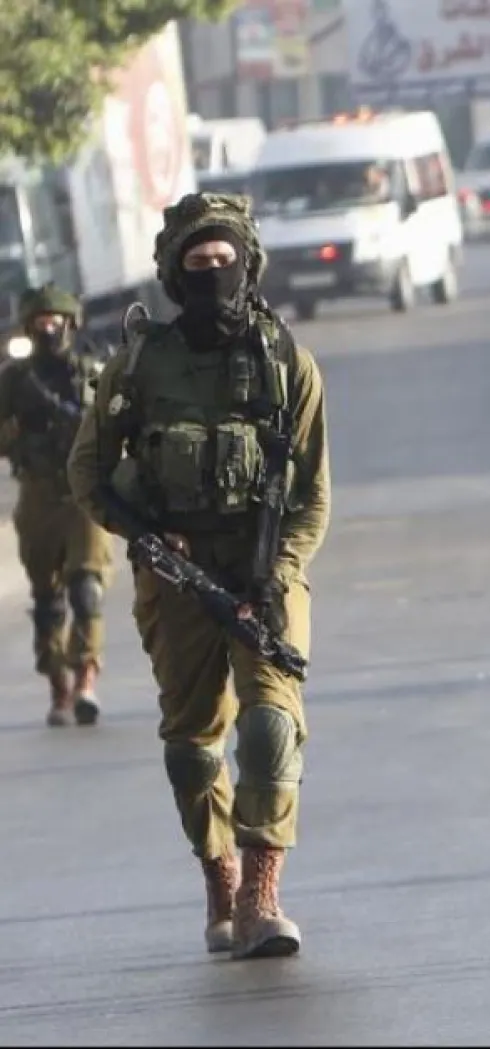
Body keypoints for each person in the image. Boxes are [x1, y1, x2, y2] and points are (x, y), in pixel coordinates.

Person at [68, 192, 331, 959]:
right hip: (175, 578)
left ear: (247, 266)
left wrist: (280, 569)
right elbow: (89, 472)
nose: (213, 272)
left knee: (270, 726)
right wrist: (146, 538)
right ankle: (217, 873)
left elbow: (313, 494)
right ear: (174, 275)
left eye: (225, 259)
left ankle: (261, 893)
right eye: (197, 262)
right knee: (192, 746)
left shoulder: (287, 365)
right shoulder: (140, 365)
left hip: (263, 573)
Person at [0, 284, 114, 727]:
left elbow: (120, 425)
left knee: (87, 590)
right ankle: (58, 688)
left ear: (71, 323)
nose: (48, 328)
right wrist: (21, 437)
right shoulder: (14, 380)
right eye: (39, 321)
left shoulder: (93, 373)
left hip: (83, 495)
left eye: (55, 320)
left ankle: (86, 679)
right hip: (38, 494)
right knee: (47, 598)